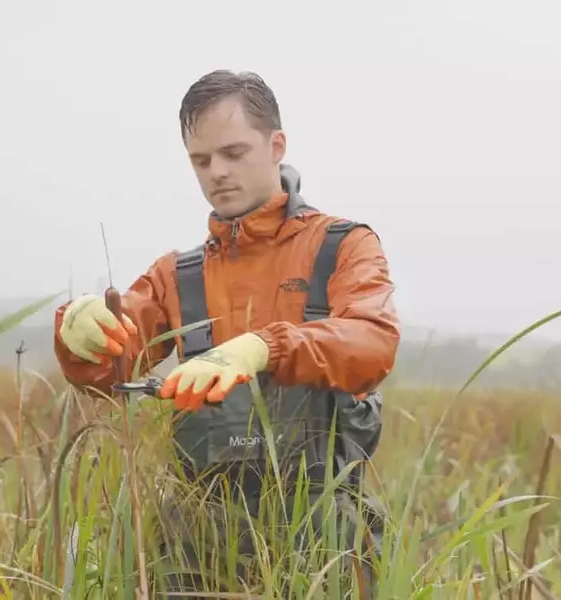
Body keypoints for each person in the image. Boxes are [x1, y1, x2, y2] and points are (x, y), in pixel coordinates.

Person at [52, 70, 401, 598]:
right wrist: (77, 333)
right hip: (197, 549)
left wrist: (263, 346)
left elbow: (372, 341)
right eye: (201, 160)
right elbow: (108, 370)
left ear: (276, 145)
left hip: (326, 549)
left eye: (234, 153)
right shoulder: (177, 275)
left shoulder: (344, 246)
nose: (217, 172)